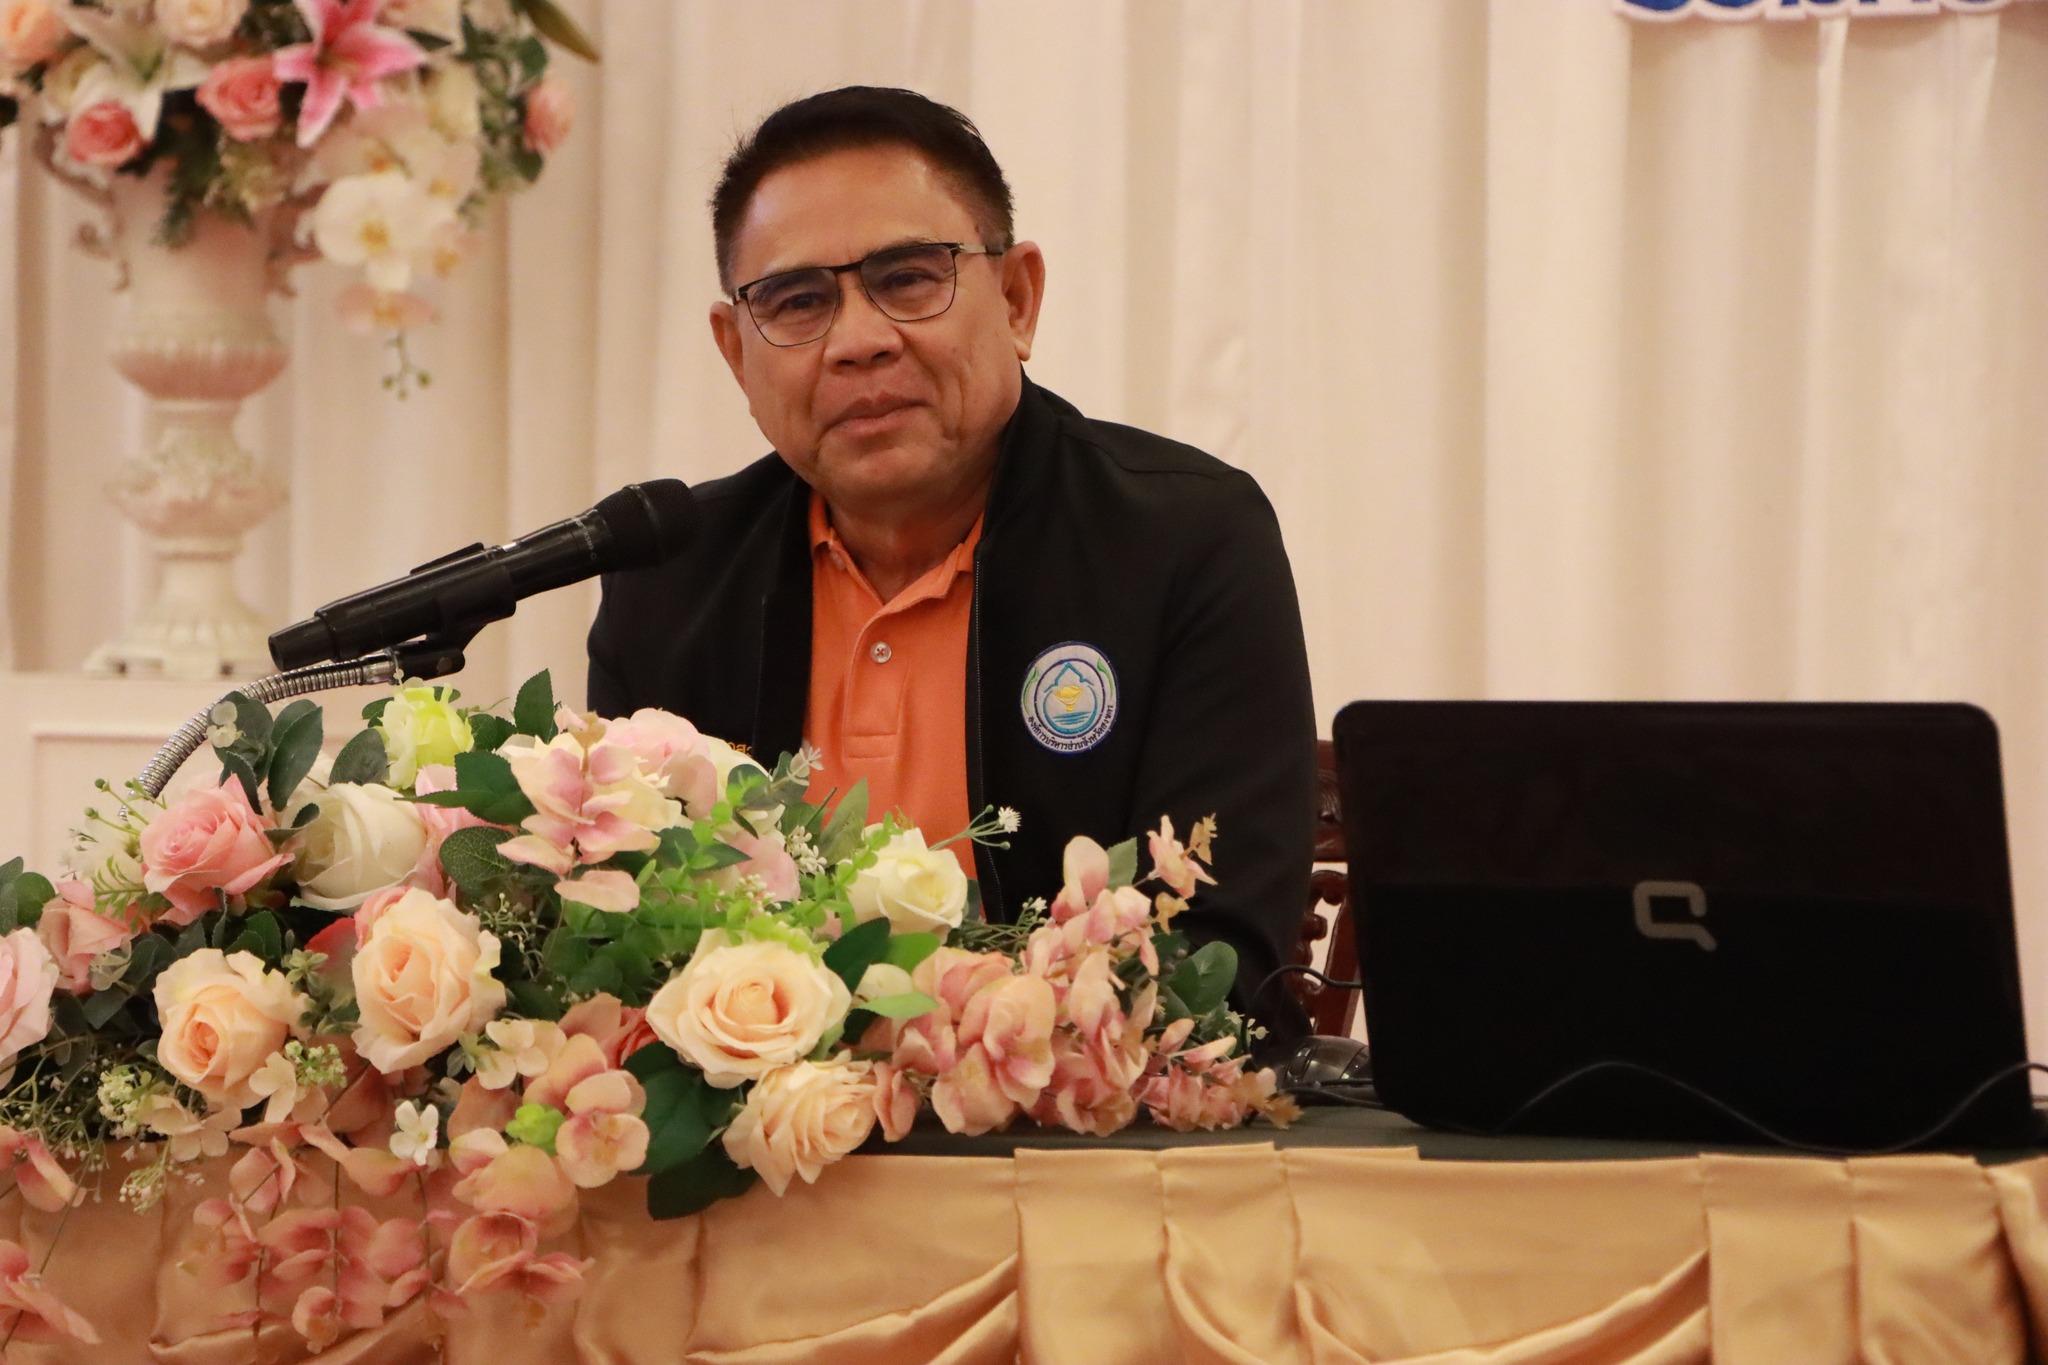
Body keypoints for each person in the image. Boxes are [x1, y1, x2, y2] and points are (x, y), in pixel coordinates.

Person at [587, 86, 1315, 1041]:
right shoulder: (669, 579)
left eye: (908, 279)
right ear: (736, 352)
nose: (859, 342)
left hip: (1079, 1126)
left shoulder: (1186, 539)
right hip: (757, 1128)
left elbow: (1217, 960)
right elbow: (617, 951)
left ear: (1016, 299)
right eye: (798, 302)